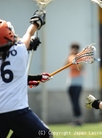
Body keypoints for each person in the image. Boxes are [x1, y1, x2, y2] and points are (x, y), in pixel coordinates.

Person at [0, 10, 53, 138]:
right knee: (45, 135)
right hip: (17, 111)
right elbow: (29, 33)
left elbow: (6, 79)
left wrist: (34, 78)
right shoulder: (19, 49)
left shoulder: (21, 49)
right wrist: (36, 22)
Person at [65, 43, 84, 126]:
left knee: (76, 101)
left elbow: (81, 67)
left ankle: (79, 119)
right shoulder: (70, 57)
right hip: (71, 83)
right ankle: (75, 119)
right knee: (73, 102)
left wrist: (76, 59)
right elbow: (65, 65)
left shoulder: (80, 58)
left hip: (78, 83)